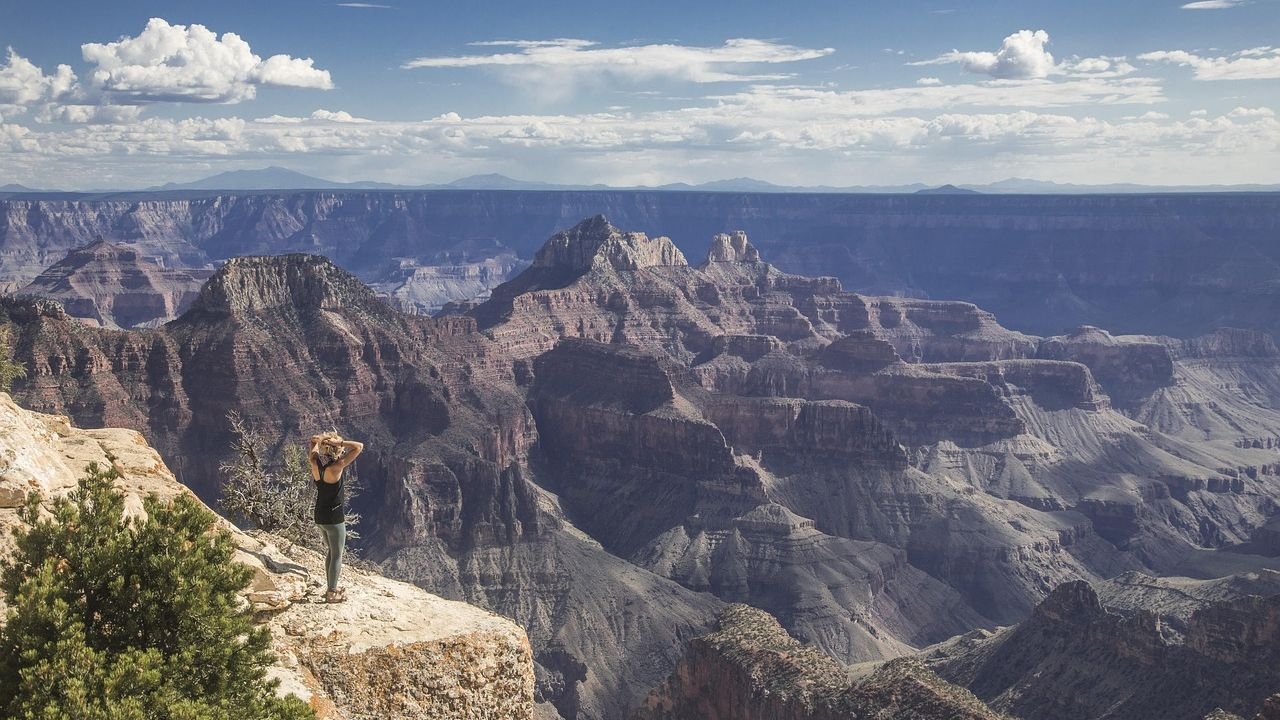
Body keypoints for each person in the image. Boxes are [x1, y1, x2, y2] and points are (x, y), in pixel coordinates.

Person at [308, 431, 363, 603]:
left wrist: (320, 442)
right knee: (337, 554)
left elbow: (312, 444)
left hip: (320, 516)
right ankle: (332, 592)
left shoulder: (315, 463)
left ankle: (331, 586)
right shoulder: (336, 467)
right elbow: (359, 447)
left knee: (331, 552)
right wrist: (340, 442)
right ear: (336, 449)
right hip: (334, 518)